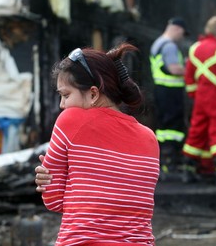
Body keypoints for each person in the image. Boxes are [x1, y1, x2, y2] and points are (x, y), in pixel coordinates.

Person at [34, 43, 160, 245]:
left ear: (93, 94)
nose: (62, 104)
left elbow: (54, 201)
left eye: (66, 95)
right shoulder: (150, 138)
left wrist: (49, 180)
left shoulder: (71, 120)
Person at [182, 15, 216, 184]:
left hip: (200, 98)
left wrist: (194, 95)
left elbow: (189, 77)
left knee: (196, 130)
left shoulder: (194, 49)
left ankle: (189, 169)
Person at [149, 17, 190, 178]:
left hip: (161, 90)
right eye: (183, 33)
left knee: (164, 127)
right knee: (172, 127)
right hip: (171, 92)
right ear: (177, 29)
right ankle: (170, 161)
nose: (182, 37)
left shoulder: (158, 43)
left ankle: (164, 160)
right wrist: (191, 68)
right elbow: (174, 69)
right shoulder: (170, 46)